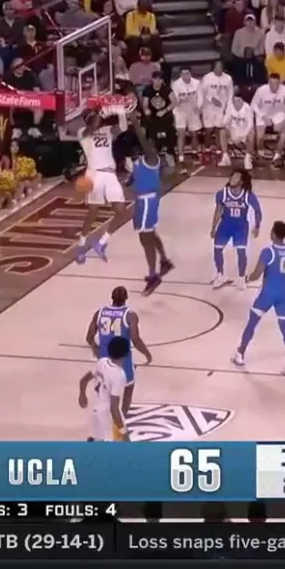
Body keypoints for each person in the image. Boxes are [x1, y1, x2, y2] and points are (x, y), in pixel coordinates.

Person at [232, 220, 285, 376]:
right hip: (284, 294)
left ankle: (240, 354)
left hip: (267, 294)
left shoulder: (268, 252)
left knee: (252, 322)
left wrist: (246, 279)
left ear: (273, 234)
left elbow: (257, 274)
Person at [69, 108, 127, 263]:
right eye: (95, 117)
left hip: (110, 174)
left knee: (121, 211)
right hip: (95, 174)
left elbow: (123, 128)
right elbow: (91, 129)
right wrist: (101, 114)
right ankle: (81, 244)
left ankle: (101, 243)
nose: (99, 120)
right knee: (93, 212)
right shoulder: (82, 132)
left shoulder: (107, 130)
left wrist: (121, 112)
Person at [85, 286, 152, 418]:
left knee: (104, 390)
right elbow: (135, 339)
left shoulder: (100, 312)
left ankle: (100, 421)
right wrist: (147, 354)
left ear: (112, 297)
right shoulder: (130, 315)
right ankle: (123, 417)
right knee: (128, 387)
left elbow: (89, 337)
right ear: (126, 298)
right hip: (122, 359)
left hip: (104, 359)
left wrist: (95, 348)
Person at [128, 118, 174, 294]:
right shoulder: (140, 161)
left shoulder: (152, 158)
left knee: (145, 238)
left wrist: (135, 121)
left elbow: (142, 138)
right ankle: (164, 261)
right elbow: (137, 178)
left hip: (148, 201)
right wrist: (131, 180)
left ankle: (153, 275)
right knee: (149, 234)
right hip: (141, 201)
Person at [210, 169, 263, 289]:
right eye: (231, 177)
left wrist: (257, 226)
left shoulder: (247, 195)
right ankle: (220, 275)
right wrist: (213, 227)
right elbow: (218, 211)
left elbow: (257, 210)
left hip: (241, 226)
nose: (232, 179)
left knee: (241, 252)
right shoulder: (222, 193)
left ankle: (241, 278)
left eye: (236, 178)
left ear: (242, 181)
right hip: (225, 225)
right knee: (217, 249)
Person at [77, 334, 131, 442]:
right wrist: (124, 433)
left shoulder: (102, 362)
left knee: (94, 439)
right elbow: (114, 408)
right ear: (126, 354)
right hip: (107, 417)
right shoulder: (119, 375)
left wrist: (82, 394)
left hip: (96, 410)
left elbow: (83, 380)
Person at [171, 67, 203, 164]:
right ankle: (181, 157)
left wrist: (198, 107)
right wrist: (180, 100)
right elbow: (174, 99)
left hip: (193, 110)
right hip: (180, 111)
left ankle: (195, 152)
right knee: (181, 134)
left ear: (190, 74)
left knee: (194, 134)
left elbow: (200, 96)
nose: (185, 76)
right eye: (183, 74)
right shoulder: (175, 84)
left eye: (187, 73)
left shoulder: (197, 83)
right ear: (180, 75)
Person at [222, 93, 257, 170]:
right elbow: (224, 120)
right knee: (222, 131)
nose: (236, 103)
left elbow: (250, 124)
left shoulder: (248, 108)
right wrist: (227, 123)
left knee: (252, 133)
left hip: (244, 131)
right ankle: (225, 157)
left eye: (238, 100)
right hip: (233, 131)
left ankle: (248, 158)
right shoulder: (230, 106)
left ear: (242, 101)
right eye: (234, 101)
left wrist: (242, 136)